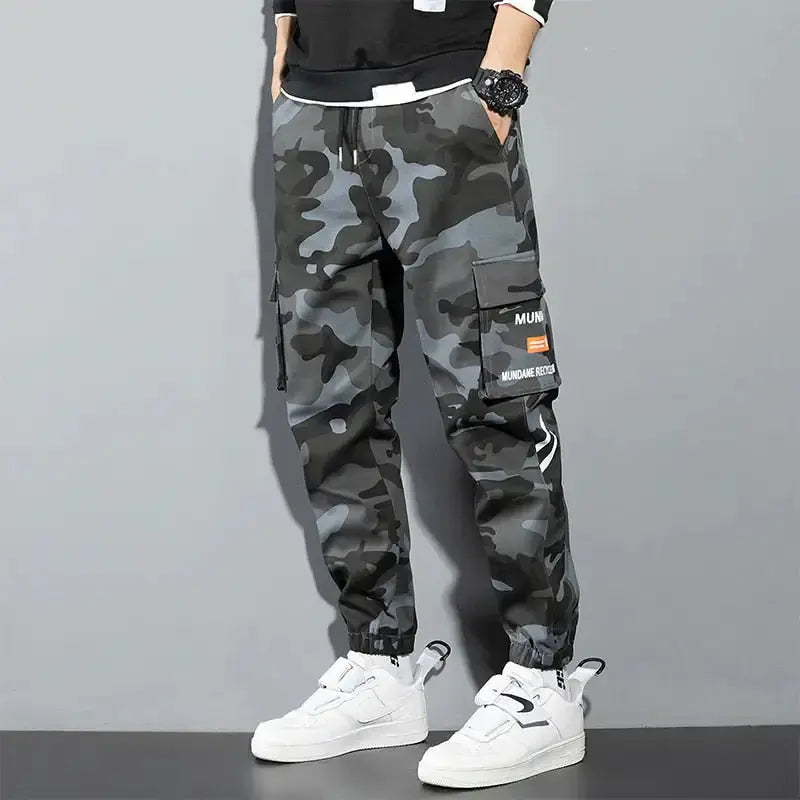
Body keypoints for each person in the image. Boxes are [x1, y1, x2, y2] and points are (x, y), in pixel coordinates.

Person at [251, 0, 604, 788]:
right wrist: (285, 27)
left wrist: (502, 72)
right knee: (328, 402)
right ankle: (380, 664)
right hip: (313, 109)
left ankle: (543, 679)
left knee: (496, 400)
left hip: (446, 97)